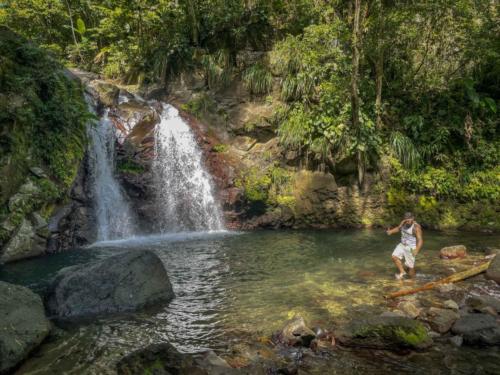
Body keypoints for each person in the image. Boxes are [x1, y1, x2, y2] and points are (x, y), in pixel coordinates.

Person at [386, 212, 423, 279]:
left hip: (411, 247)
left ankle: (412, 281)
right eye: (406, 219)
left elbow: (420, 240)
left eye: (409, 218)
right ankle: (403, 272)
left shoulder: (416, 227)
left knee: (410, 266)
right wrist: (391, 231)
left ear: (412, 218)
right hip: (402, 245)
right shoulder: (403, 223)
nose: (407, 220)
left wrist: (417, 250)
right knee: (394, 256)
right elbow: (398, 228)